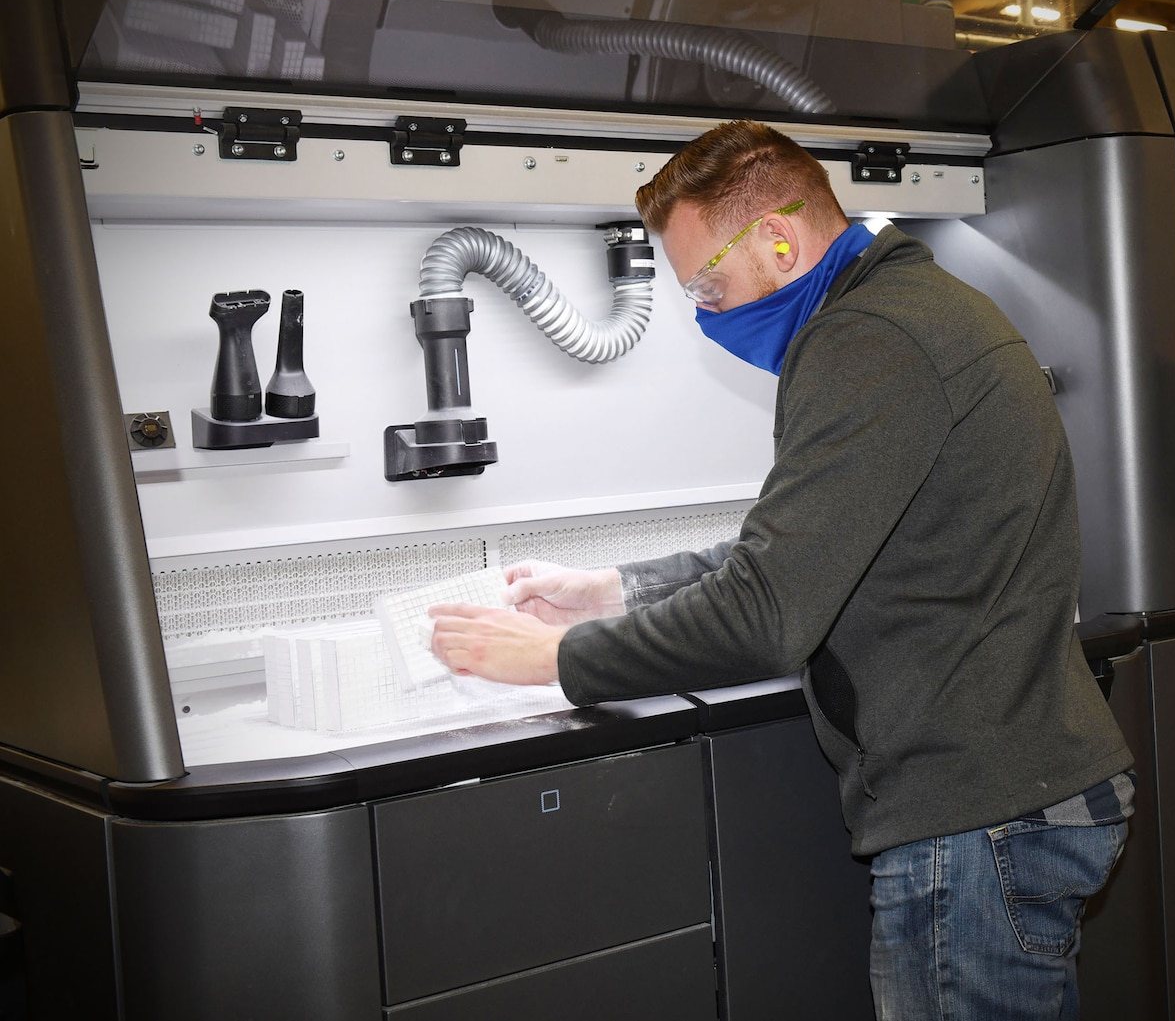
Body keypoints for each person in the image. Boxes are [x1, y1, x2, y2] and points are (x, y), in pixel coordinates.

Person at [430, 119, 1134, 1020]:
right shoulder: (918, 310)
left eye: (710, 287)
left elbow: (769, 609)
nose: (707, 313)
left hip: (976, 820)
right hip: (1014, 800)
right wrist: (617, 589)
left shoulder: (868, 339)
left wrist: (552, 661)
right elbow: (816, 551)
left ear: (778, 238)